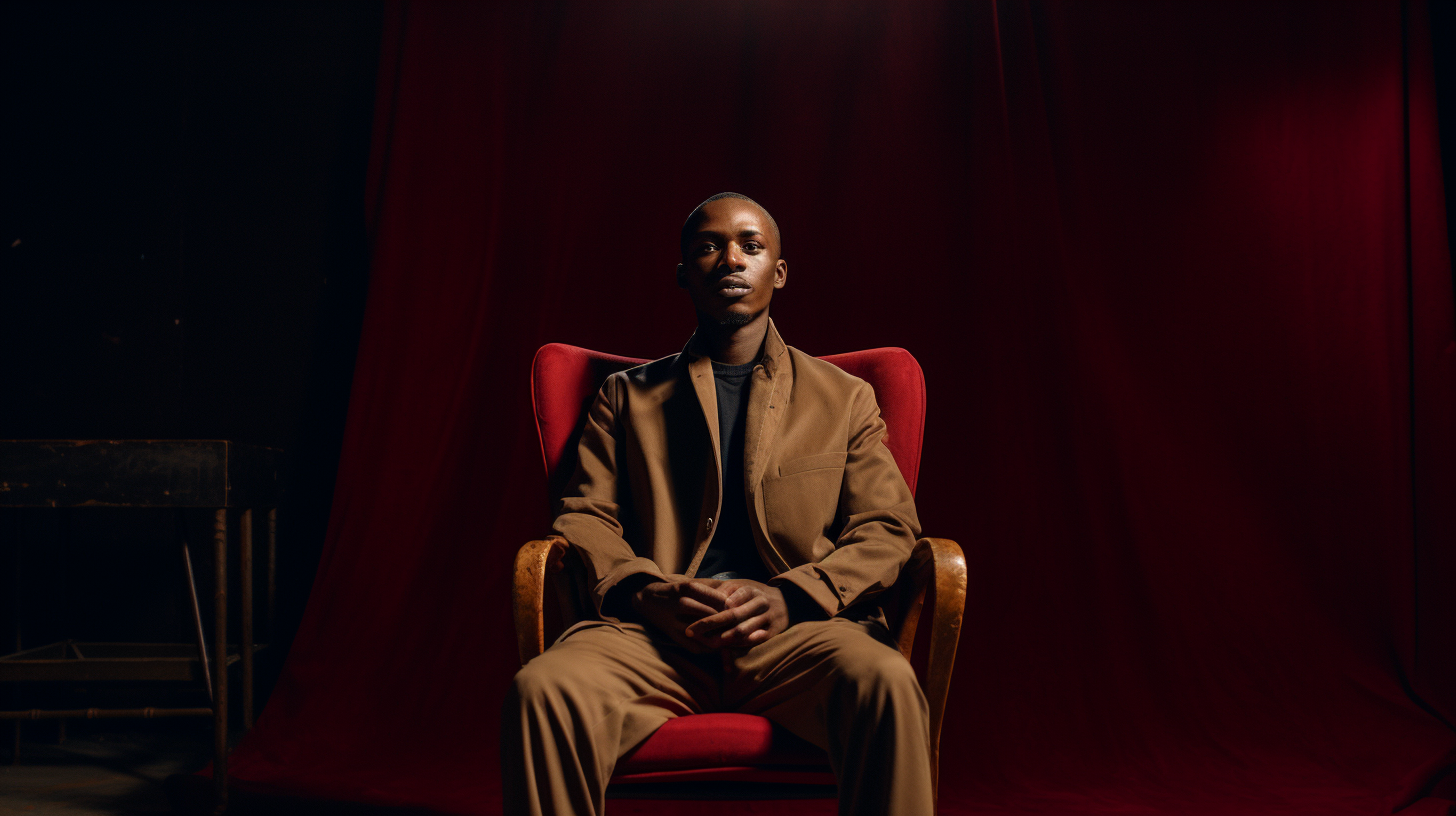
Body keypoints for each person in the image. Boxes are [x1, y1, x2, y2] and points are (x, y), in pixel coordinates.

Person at [502, 193, 933, 816]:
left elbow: (888, 528)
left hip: (801, 634)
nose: (731, 259)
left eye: (751, 246)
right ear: (684, 273)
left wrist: (795, 596)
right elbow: (585, 516)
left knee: (888, 684)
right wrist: (648, 593)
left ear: (777, 272)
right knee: (541, 690)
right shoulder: (624, 398)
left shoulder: (845, 400)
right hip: (655, 636)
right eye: (709, 246)